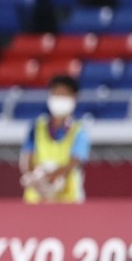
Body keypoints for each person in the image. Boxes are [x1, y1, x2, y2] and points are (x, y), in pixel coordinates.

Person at [19, 74, 90, 203]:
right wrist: (37, 178)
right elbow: (26, 158)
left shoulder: (78, 131)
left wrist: (52, 176)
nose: (60, 99)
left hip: (68, 202)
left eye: (64, 95)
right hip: (36, 201)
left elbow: (75, 162)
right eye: (56, 94)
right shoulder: (37, 128)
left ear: (74, 98)